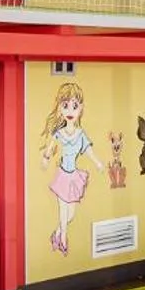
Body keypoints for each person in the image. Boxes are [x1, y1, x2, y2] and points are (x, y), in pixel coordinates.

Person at [38, 82, 103, 254]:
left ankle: (57, 234)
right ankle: (63, 240)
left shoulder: (80, 134)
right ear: (60, 108)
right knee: (62, 209)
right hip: (62, 175)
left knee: (71, 214)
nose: (70, 111)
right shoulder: (58, 133)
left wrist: (97, 162)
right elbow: (50, 149)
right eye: (65, 106)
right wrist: (45, 159)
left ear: (80, 109)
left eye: (74, 106)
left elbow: (88, 150)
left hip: (74, 176)